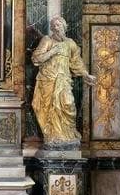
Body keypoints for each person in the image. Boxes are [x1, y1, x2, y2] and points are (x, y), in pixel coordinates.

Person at [31, 16, 96, 145]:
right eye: (54, 25)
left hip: (64, 80)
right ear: (51, 28)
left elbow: (76, 62)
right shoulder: (47, 40)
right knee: (50, 108)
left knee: (68, 103)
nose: (56, 27)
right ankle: (53, 135)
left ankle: (68, 135)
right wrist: (52, 51)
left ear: (65, 27)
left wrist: (86, 74)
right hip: (48, 80)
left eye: (59, 25)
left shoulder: (70, 43)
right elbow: (36, 58)